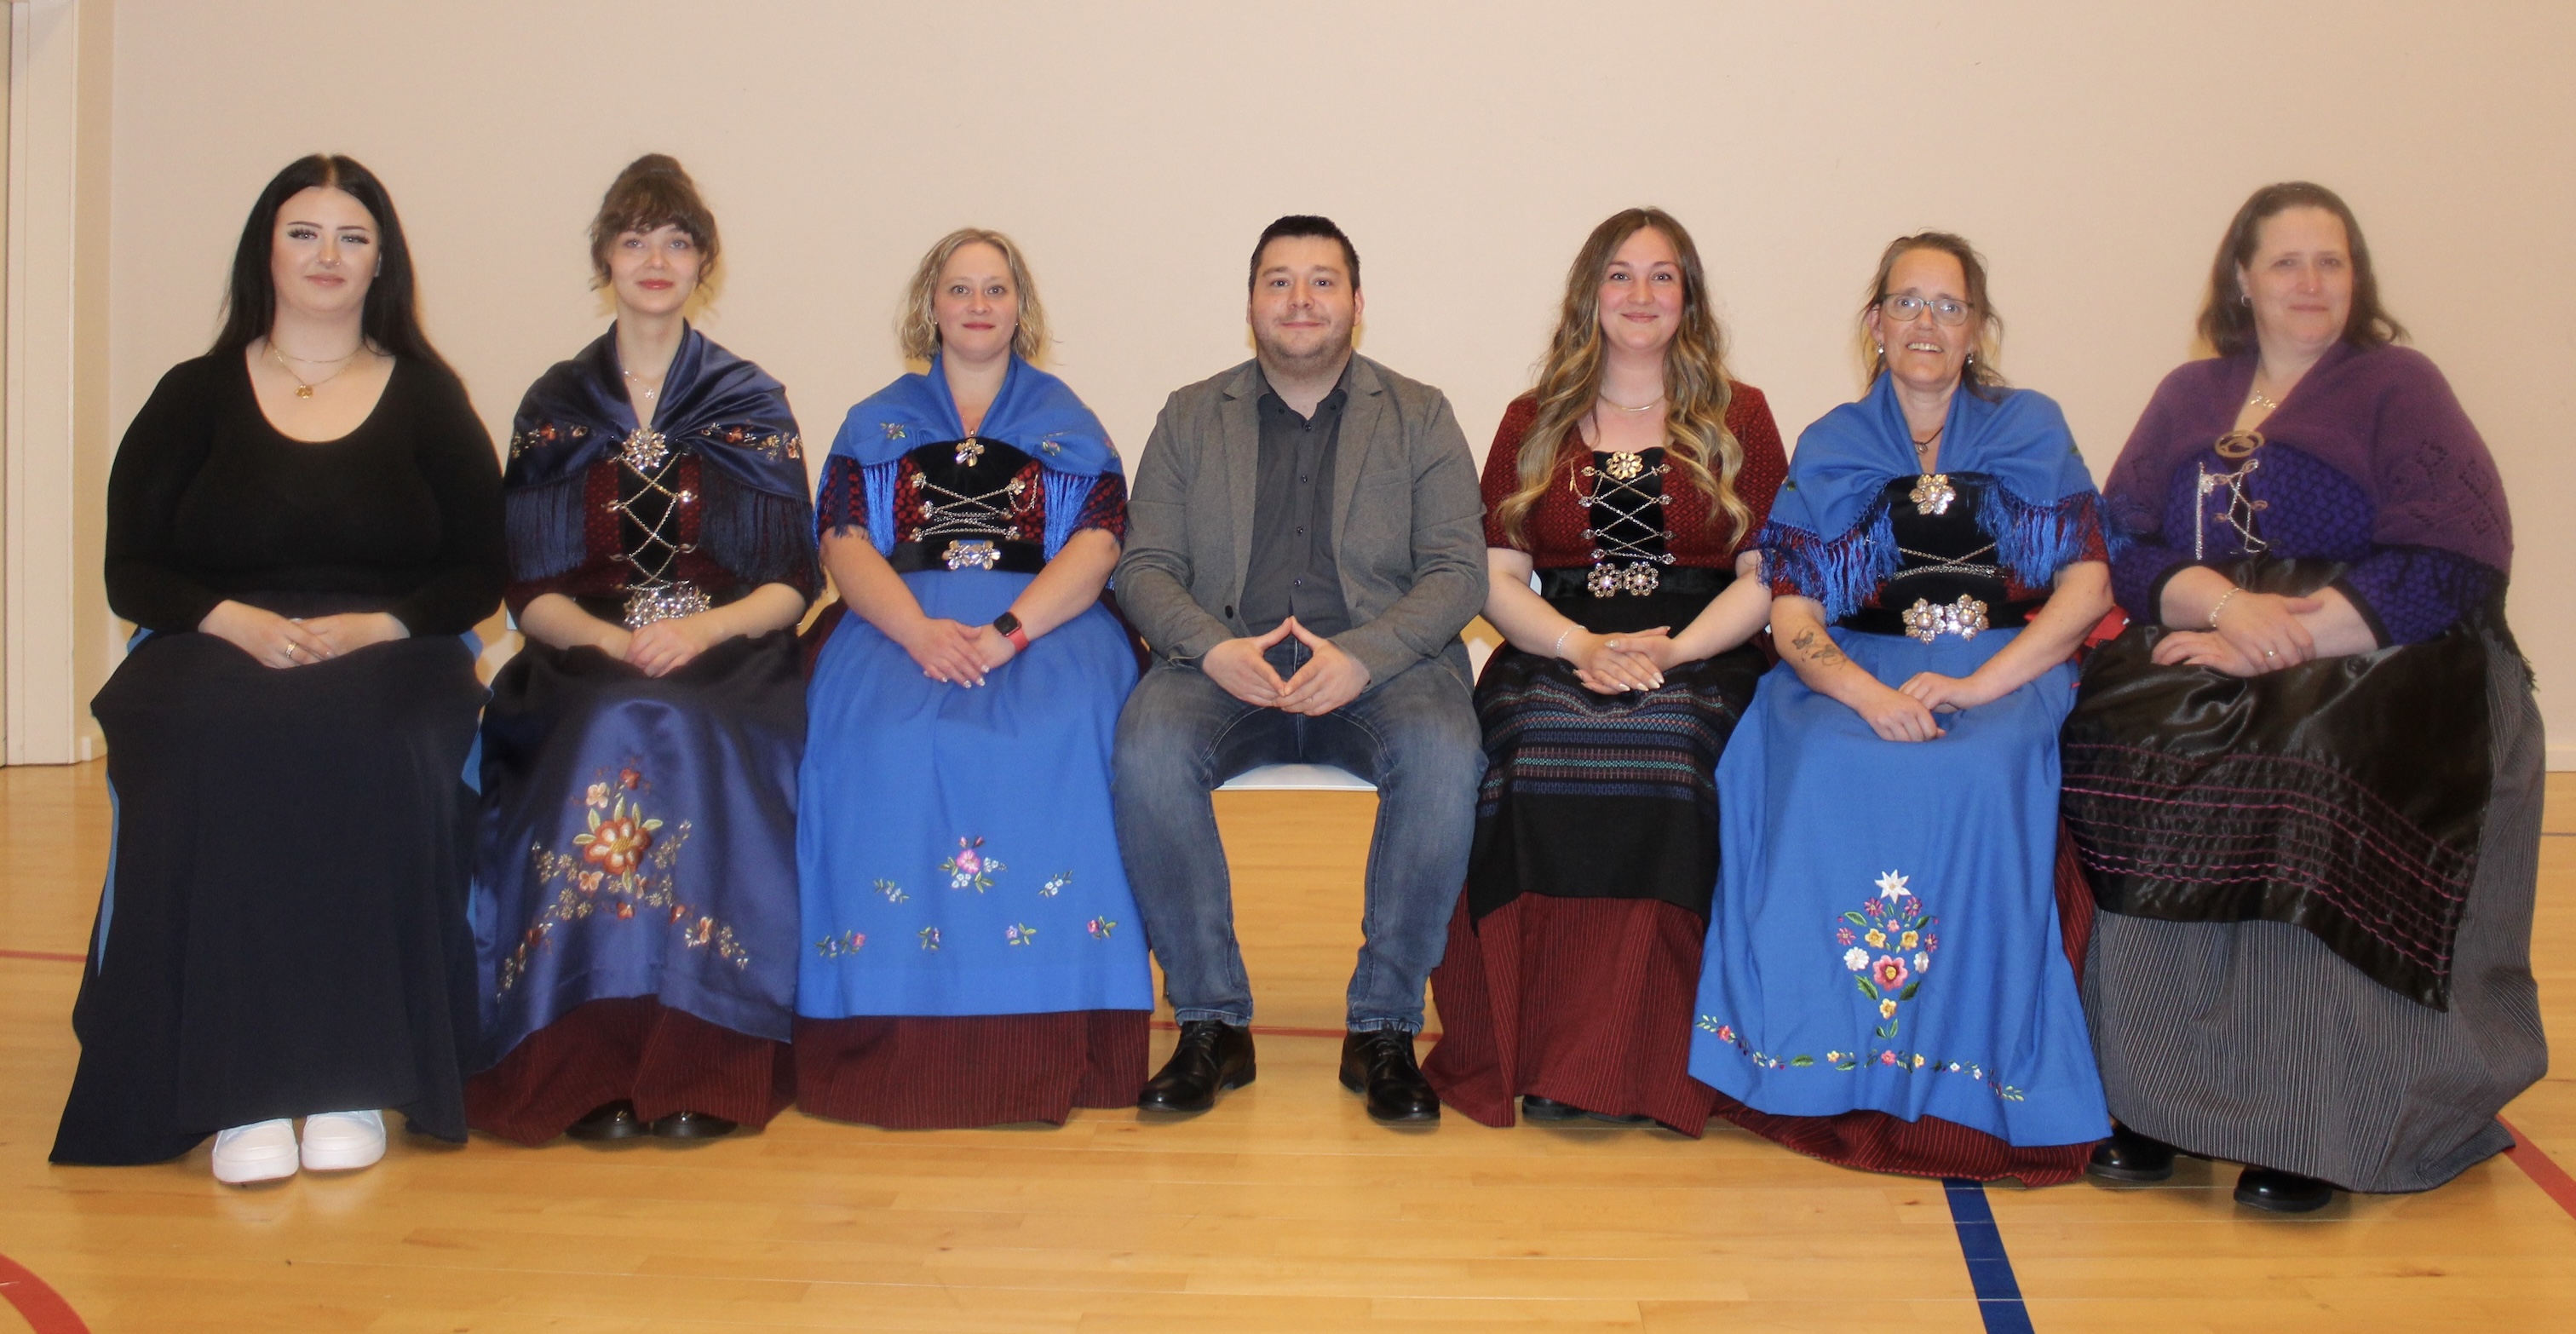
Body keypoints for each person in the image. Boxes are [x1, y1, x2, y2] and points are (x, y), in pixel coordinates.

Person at [2061, 182, 2541, 1213]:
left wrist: (2290, 636)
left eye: (2332, 261)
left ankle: (2309, 1120)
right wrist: (2227, 608)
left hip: (2380, 646)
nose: (2311, 282)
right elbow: (2123, 540)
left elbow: (2459, 555)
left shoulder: (2398, 385)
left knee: (2306, 764)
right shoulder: (2190, 394)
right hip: (2220, 626)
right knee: (2121, 742)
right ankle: (2152, 1100)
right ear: (2242, 278)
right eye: (2287, 261)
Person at [55, 155, 504, 1182]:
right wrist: (234, 622)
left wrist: (382, 627)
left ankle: (353, 1076)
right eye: (304, 233)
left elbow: (479, 572)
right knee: (222, 741)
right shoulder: (192, 395)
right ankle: (237, 1090)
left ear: (382, 261)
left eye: (352, 237)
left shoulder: (430, 398)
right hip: (212, 642)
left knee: (368, 742)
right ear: (266, 250)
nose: (327, 255)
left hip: (391, 650)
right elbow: (132, 569)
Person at [1685, 233, 2113, 1182]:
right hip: (1857, 666)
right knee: (1813, 762)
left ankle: (1964, 1082)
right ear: (1875, 324)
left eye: (1949, 306)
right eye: (1907, 303)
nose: (1927, 322)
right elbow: (1793, 613)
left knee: (1979, 770)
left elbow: (2086, 591)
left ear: (1978, 328)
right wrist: (1868, 695)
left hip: (2006, 665)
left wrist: (1978, 687)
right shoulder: (1834, 441)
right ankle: (1811, 1067)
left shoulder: (2032, 426)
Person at [464, 156, 816, 1146]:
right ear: (604, 260)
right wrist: (610, 638)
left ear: (704, 261)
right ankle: (588, 1057)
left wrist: (698, 629)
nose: (655, 259)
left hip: (729, 652)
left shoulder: (749, 399)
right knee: (610, 724)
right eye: (634, 240)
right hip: (583, 652)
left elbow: (792, 580)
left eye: (676, 241)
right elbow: (530, 592)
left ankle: (703, 1055)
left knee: (686, 730)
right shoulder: (554, 404)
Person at [1113, 216, 1488, 1123]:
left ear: (1357, 303)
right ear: (1251, 304)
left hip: (1384, 670)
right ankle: (1211, 1022)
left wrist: (1362, 657)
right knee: (1147, 751)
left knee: (1445, 754)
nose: (1300, 300)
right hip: (1223, 666)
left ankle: (1384, 1028)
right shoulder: (1190, 415)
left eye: (1322, 281)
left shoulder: (1420, 413)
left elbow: (1457, 571)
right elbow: (1144, 566)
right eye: (1278, 281)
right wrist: (1212, 647)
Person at [1422, 209, 1785, 1131]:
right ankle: (1543, 1051)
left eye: (1663, 276)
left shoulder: (1741, 415)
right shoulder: (1532, 419)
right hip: (1559, 641)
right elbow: (1496, 577)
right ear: (1590, 294)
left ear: (1689, 297)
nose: (1640, 294)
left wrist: (1679, 649)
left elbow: (1766, 577)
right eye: (1620, 275)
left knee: (1668, 755)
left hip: (1702, 648)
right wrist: (1579, 647)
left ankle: (1655, 1061)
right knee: (1529, 753)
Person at [796, 227, 1151, 1128]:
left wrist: (1008, 633)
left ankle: (1050, 1027)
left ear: (1021, 308)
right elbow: (843, 544)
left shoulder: (1069, 420)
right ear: (931, 305)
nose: (979, 305)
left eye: (996, 288)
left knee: (1057, 735)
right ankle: (886, 1025)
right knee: (879, 738)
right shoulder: (873, 422)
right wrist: (917, 632)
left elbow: (1099, 545)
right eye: (960, 288)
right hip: (899, 625)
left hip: (1045, 626)